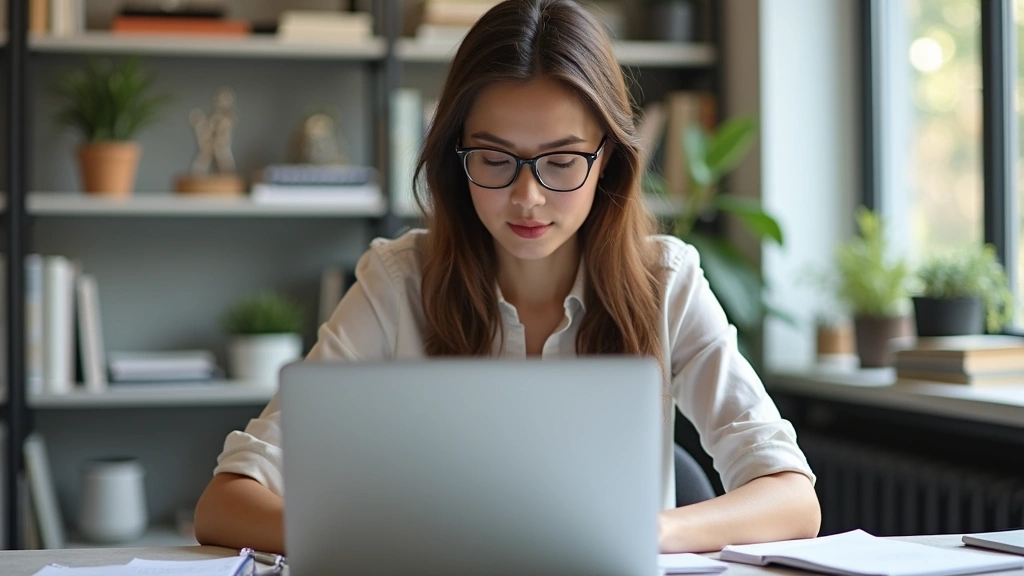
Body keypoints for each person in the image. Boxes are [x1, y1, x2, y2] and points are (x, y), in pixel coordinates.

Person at [194, 0, 820, 555]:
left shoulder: (667, 282)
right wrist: (394, 541)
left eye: (562, 160)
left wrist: (653, 531)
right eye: (494, 158)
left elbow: (792, 498)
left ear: (608, 160)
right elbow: (226, 503)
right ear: (454, 155)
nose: (527, 198)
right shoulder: (397, 281)